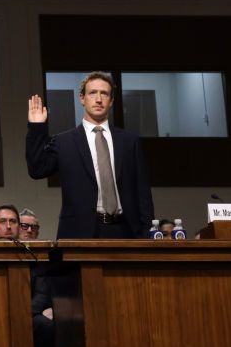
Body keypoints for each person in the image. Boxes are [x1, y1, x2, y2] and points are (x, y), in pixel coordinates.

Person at [26, 71, 154, 239]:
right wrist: (36, 128)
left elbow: (142, 192)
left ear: (112, 101)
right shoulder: (63, 142)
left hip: (126, 230)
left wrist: (148, 234)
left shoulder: (130, 141)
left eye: (105, 94)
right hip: (80, 232)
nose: (99, 99)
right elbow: (37, 169)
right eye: (93, 93)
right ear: (82, 98)